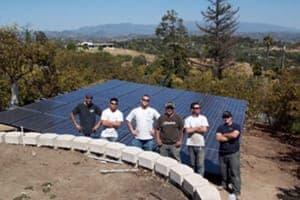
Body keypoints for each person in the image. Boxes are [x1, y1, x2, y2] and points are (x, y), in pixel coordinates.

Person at [215, 111, 241, 199]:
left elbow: (234, 135)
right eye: (224, 117)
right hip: (222, 153)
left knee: (234, 173)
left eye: (227, 117)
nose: (225, 118)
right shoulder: (220, 127)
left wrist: (225, 135)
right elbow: (218, 137)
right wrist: (228, 137)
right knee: (223, 172)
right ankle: (224, 185)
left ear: (231, 117)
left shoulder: (236, 126)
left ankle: (236, 191)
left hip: (233, 153)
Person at [184, 102, 209, 176]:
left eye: (199, 108)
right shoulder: (188, 119)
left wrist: (193, 129)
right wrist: (198, 128)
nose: (198, 109)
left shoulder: (203, 118)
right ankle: (192, 179)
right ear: (192, 109)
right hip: (190, 144)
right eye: (196, 108)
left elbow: (204, 130)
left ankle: (200, 179)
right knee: (192, 164)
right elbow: (187, 130)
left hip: (200, 144)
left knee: (200, 164)